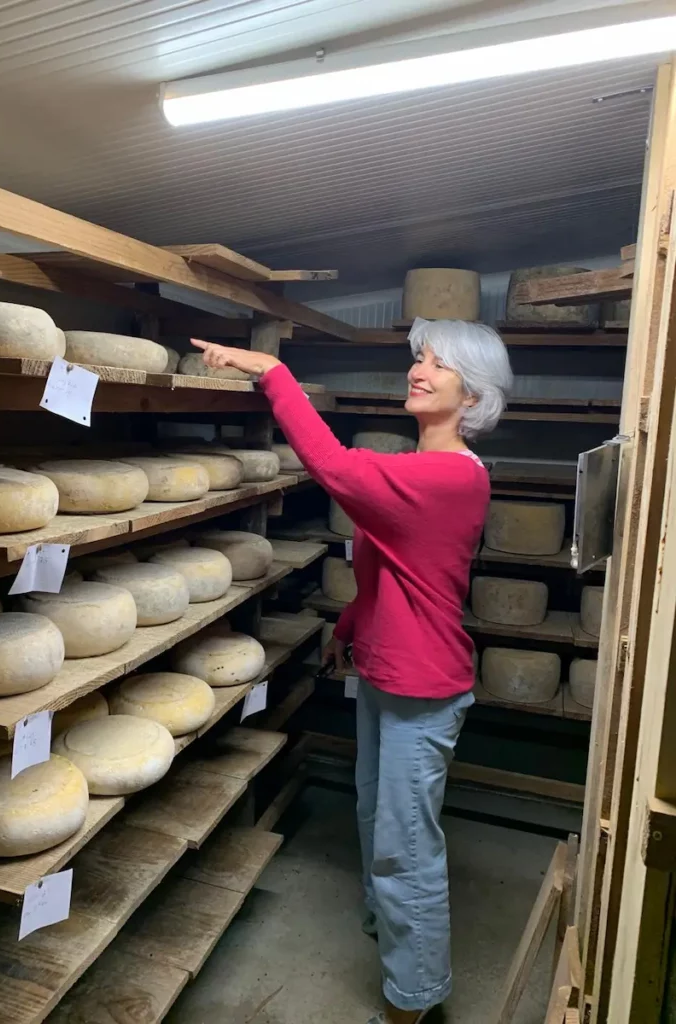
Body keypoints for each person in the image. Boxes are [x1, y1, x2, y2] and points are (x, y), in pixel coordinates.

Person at [191, 318, 512, 1024]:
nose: (417, 371)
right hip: (387, 670)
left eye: (437, 365)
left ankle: (413, 1000)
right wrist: (350, 627)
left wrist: (270, 373)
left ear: (473, 395)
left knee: (406, 850)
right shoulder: (426, 471)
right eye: (418, 359)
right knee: (376, 815)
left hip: (423, 688)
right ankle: (393, 931)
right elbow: (397, 569)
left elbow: (333, 467)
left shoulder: (447, 477)